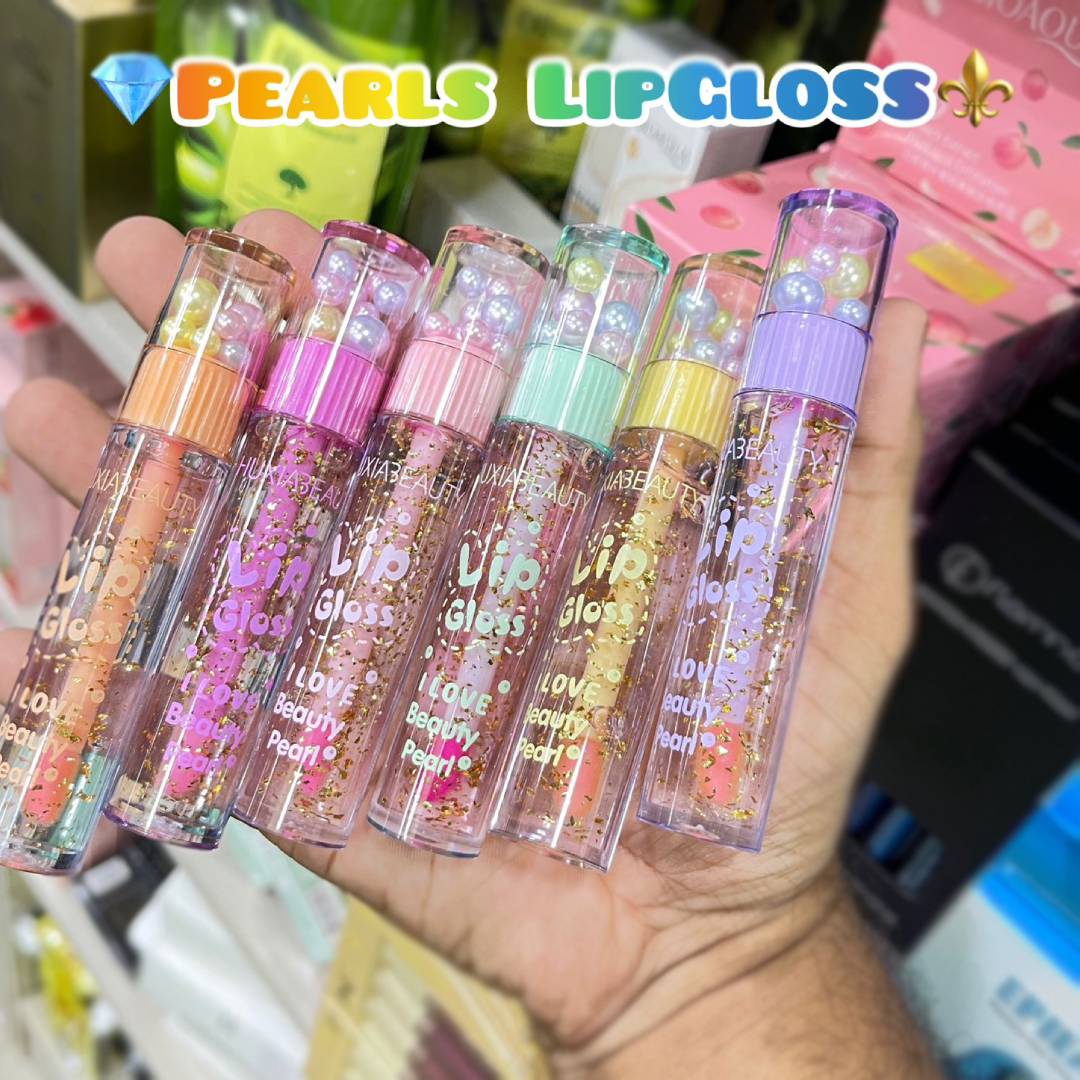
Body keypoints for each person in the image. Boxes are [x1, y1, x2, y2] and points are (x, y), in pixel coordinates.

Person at [1, 211, 939, 1077]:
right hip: (338, 461)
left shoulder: (624, 448)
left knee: (504, 616)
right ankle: (77, 795)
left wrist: (738, 948)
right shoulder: (347, 435)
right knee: (258, 601)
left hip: (558, 513)